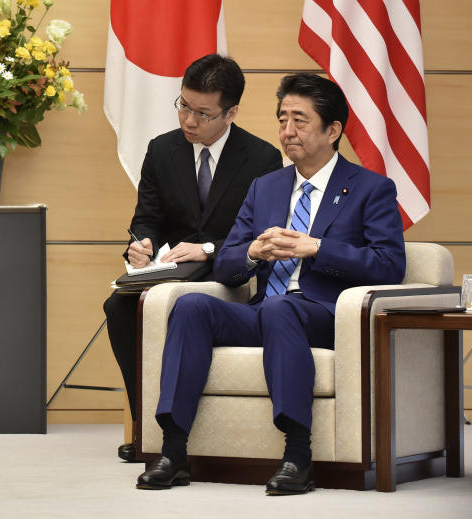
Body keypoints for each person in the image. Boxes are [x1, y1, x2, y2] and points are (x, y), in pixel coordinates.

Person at [137, 74, 406, 495]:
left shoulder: (370, 189)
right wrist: (252, 254)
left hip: (326, 315)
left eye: (300, 120)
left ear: (332, 130)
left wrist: (316, 247)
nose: (287, 131)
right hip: (265, 311)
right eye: (282, 119)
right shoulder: (266, 187)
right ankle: (173, 452)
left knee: (283, 308)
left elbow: (390, 266)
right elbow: (226, 265)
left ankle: (298, 455)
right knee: (190, 306)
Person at [103, 54, 282, 462]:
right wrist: (141, 246)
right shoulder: (161, 150)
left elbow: (257, 237)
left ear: (231, 112)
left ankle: (171, 427)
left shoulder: (262, 159)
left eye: (203, 113)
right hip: (168, 270)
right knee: (119, 306)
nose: (189, 121)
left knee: (172, 303)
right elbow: (146, 219)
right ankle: (145, 421)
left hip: (226, 272)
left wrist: (207, 248)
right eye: (184, 106)